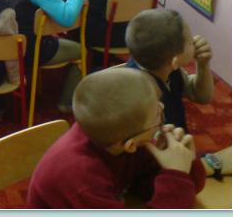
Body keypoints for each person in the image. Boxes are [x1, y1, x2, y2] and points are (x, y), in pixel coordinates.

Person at [26, 68, 206, 209]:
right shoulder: (83, 181)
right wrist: (176, 175)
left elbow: (159, 190)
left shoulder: (117, 135)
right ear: (130, 145)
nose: (162, 109)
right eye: (158, 116)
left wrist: (185, 163)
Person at [10, 0, 84, 113]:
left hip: (12, 44)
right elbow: (67, 18)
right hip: (32, 49)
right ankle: (66, 103)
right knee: (80, 51)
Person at [124, 9, 214, 131]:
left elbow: (201, 96)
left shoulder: (163, 66)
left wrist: (203, 64)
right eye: (189, 42)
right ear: (174, 62)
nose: (194, 41)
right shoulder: (147, 103)